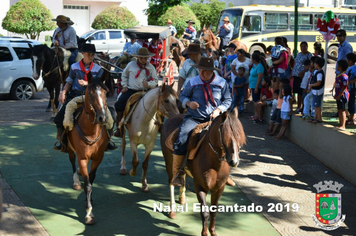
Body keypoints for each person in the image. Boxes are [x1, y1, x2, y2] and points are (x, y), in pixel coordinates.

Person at [171, 57, 232, 186]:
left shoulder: (221, 83)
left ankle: (226, 174)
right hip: (195, 118)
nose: (202, 73)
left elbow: (227, 100)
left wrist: (219, 110)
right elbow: (182, 95)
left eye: (205, 71)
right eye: (200, 70)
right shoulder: (193, 82)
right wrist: (188, 103)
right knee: (182, 137)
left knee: (228, 139)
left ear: (212, 71)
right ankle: (177, 173)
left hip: (215, 119)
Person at [53, 44, 116, 151]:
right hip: (76, 95)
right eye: (88, 54)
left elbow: (99, 84)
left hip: (93, 97)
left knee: (112, 115)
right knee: (59, 118)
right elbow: (69, 81)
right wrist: (63, 92)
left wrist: (87, 83)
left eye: (92, 55)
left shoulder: (98, 69)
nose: (91, 57)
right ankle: (63, 142)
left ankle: (108, 141)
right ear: (83, 54)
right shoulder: (74, 67)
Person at [113, 47, 158, 137]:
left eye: (145, 58)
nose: (143, 60)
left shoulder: (151, 67)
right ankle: (120, 129)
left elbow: (156, 81)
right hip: (131, 90)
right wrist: (124, 86)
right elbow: (124, 75)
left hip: (146, 92)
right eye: (141, 58)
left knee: (159, 104)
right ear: (137, 57)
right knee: (118, 105)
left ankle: (159, 125)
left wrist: (149, 84)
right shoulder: (131, 65)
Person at [292, 41, 313, 113]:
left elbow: (309, 66)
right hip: (296, 75)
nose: (303, 48)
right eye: (302, 46)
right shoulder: (299, 54)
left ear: (307, 47)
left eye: (304, 46)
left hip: (303, 76)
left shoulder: (309, 55)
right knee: (297, 91)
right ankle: (298, 106)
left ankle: (303, 107)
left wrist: (303, 72)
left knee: (302, 92)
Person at [333, 60, 349, 130]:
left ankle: (343, 125)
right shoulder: (338, 76)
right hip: (338, 96)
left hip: (343, 96)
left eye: (337, 65)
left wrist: (340, 95)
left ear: (340, 67)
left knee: (342, 110)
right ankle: (340, 124)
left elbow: (344, 87)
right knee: (339, 109)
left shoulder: (344, 76)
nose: (336, 67)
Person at [308, 57, 325, 124]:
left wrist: (312, 85)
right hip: (315, 91)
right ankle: (315, 116)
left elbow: (319, 82)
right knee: (316, 105)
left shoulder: (319, 73)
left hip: (318, 91)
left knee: (317, 105)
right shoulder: (317, 72)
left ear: (317, 64)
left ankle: (319, 118)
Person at [346, 53, 356, 125]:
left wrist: (352, 81)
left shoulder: (354, 68)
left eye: (347, 60)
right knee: (349, 103)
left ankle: (352, 118)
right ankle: (350, 117)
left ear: (350, 61)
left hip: (352, 88)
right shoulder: (349, 68)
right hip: (349, 88)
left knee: (351, 102)